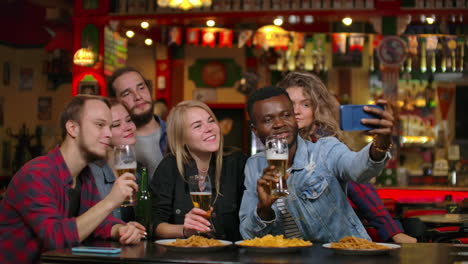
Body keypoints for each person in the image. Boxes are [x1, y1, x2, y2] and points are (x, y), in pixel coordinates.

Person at [0, 95, 145, 264]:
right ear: (73, 128)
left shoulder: (85, 175)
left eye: (109, 126)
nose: (108, 133)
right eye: (100, 125)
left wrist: (120, 229)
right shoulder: (37, 174)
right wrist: (110, 202)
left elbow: (97, 222)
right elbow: (54, 238)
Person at [239, 86, 393, 242]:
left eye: (286, 115)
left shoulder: (325, 150)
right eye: (268, 120)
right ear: (255, 130)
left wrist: (380, 145)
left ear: (294, 118)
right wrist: (263, 210)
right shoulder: (254, 166)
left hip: (342, 256)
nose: (279, 123)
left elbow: (358, 170)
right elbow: (248, 234)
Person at [277, 71, 417, 243]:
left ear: (316, 109)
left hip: (333, 246)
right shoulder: (267, 156)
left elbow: (357, 175)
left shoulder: (325, 146)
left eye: (306, 105)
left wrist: (380, 143)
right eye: (291, 105)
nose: (297, 111)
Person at [150, 100, 247, 241]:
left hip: (229, 257)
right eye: (197, 126)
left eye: (211, 121)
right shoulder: (170, 166)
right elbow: (153, 224)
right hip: (183, 257)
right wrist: (184, 230)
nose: (209, 128)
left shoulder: (236, 162)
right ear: (181, 138)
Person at [108, 67, 167, 181]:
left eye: (141, 88)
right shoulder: (113, 143)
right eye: (126, 93)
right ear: (116, 101)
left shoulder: (175, 133)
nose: (138, 96)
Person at [89, 99, 139, 222]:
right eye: (116, 124)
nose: (128, 127)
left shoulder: (137, 173)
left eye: (128, 120)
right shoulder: (93, 174)